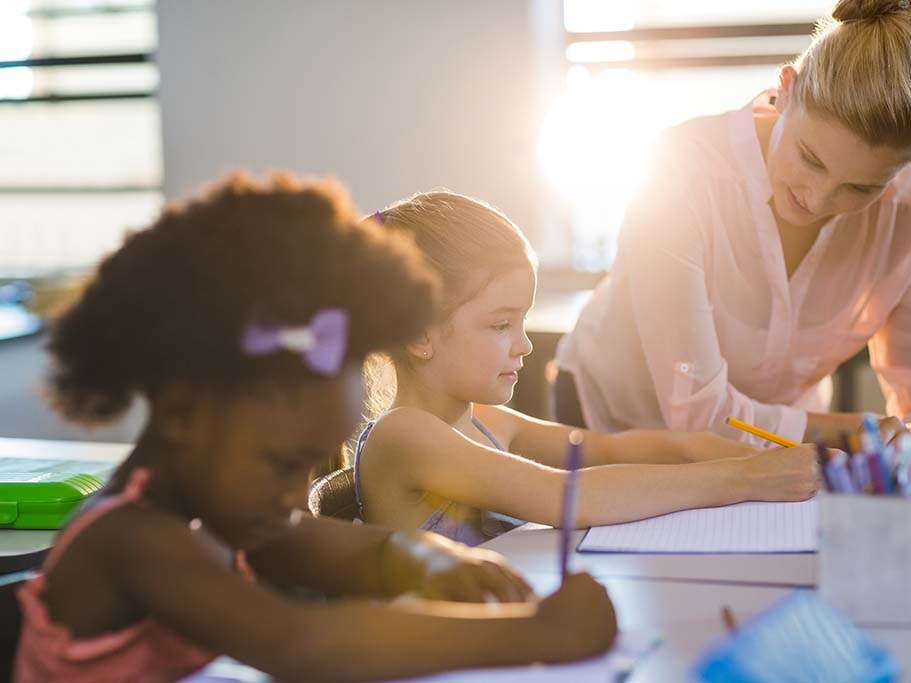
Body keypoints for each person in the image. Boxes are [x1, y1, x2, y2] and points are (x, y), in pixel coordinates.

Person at [15, 173, 616, 683]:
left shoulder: (235, 517)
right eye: (281, 465)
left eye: (306, 466)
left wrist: (432, 560)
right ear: (182, 417)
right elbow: (298, 643)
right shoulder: (134, 539)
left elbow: (371, 550)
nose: (292, 498)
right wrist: (539, 634)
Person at [555, 0, 911, 466]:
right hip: (618, 416)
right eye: (811, 158)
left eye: (859, 187)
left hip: (784, 442)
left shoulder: (907, 211)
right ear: (786, 90)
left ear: (903, 168)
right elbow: (697, 411)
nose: (816, 199)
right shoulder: (678, 173)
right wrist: (847, 433)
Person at [353, 190, 820, 546]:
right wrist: (748, 479)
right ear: (419, 334)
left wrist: (731, 453)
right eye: (501, 325)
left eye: (523, 322)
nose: (525, 344)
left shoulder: (485, 422)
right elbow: (568, 496)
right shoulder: (404, 436)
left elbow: (606, 449)